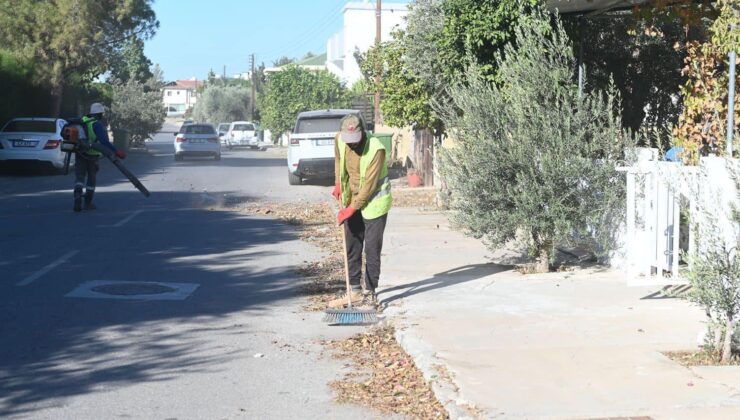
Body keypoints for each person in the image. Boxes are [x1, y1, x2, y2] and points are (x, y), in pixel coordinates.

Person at [328, 114, 392, 308]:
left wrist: (351, 209)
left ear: (363, 132)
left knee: (371, 249)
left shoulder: (376, 149)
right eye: (349, 141)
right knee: (352, 245)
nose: (351, 145)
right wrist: (338, 183)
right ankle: (354, 291)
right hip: (351, 198)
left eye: (355, 141)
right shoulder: (340, 139)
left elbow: (369, 187)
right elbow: (339, 159)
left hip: (374, 202)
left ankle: (370, 292)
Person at [73, 103, 126, 212]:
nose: (103, 115)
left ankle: (77, 197)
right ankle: (87, 203)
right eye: (102, 113)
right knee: (91, 179)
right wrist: (116, 151)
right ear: (99, 113)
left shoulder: (82, 121)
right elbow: (104, 141)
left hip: (79, 153)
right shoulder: (96, 124)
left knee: (79, 178)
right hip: (92, 156)